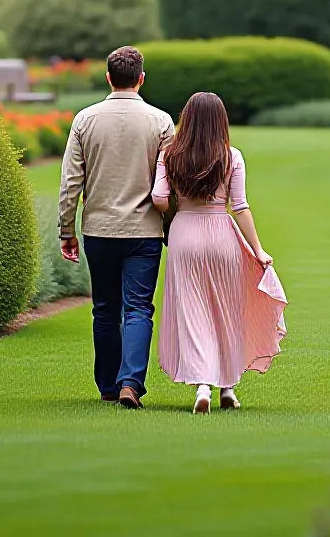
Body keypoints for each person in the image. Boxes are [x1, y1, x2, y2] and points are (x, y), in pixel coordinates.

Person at [153, 92, 286, 414]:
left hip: (185, 234)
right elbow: (239, 206)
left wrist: (175, 208)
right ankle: (228, 388)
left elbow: (159, 197)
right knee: (226, 312)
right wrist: (258, 249)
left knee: (193, 311)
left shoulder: (170, 154)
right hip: (222, 235)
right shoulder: (231, 156)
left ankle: (202, 385)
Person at [59, 46, 174, 409]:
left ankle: (109, 384)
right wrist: (171, 226)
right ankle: (131, 381)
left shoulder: (85, 120)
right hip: (143, 231)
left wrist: (66, 228)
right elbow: (168, 184)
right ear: (141, 78)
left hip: (99, 228)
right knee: (138, 308)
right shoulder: (161, 122)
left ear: (109, 78)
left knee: (104, 308)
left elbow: (70, 182)